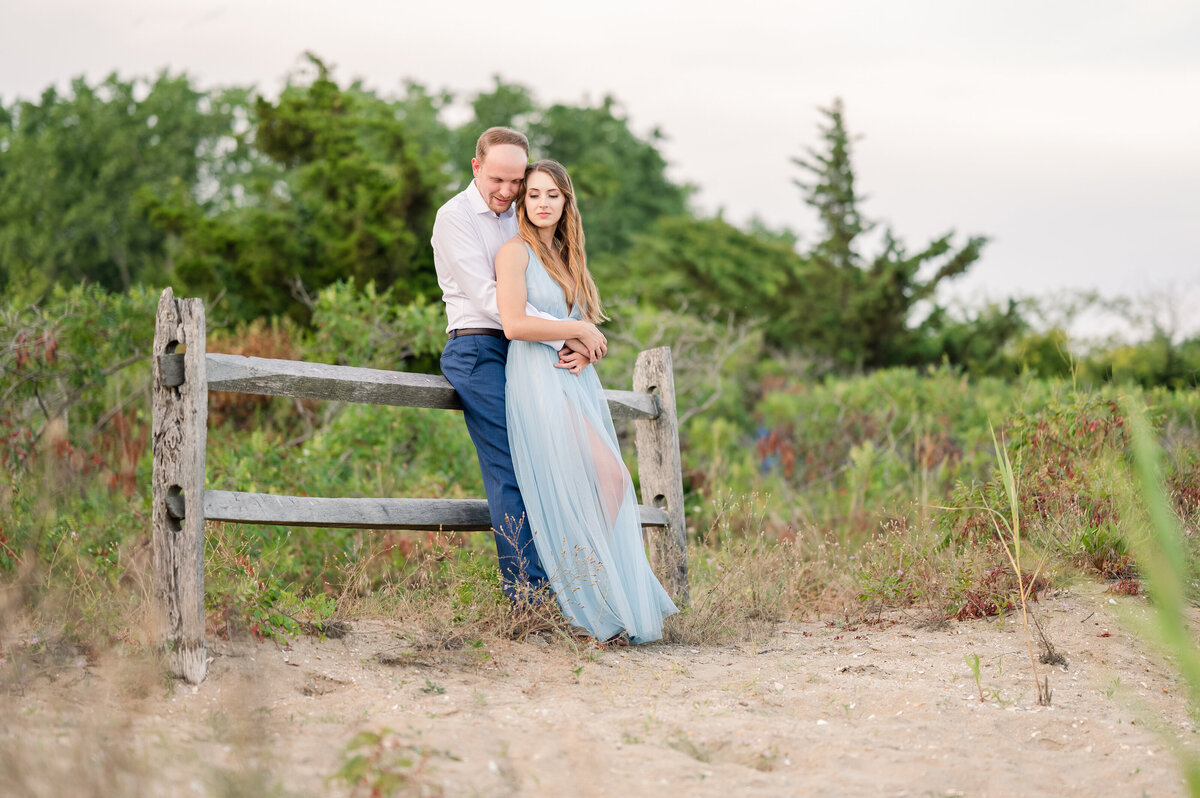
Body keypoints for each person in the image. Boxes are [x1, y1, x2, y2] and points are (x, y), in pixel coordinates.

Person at [495, 160, 679, 644]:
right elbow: (514, 324)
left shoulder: (566, 255)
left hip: (569, 378)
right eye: (533, 194)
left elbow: (584, 328)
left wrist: (585, 344)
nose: (542, 203)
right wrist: (575, 331)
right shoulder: (514, 253)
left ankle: (591, 592)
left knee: (606, 482)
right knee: (605, 477)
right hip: (535, 377)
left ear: (566, 202)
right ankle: (582, 599)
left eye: (552, 194)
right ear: (522, 201)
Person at [432, 128, 606, 603]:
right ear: (475, 167)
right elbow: (494, 302)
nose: (507, 192)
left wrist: (576, 336)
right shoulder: (454, 219)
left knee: (555, 460)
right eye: (498, 180)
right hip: (477, 347)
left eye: (516, 181)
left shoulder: (519, 219)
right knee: (511, 465)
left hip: (528, 349)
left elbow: (546, 284)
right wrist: (565, 332)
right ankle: (528, 596)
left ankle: (575, 586)